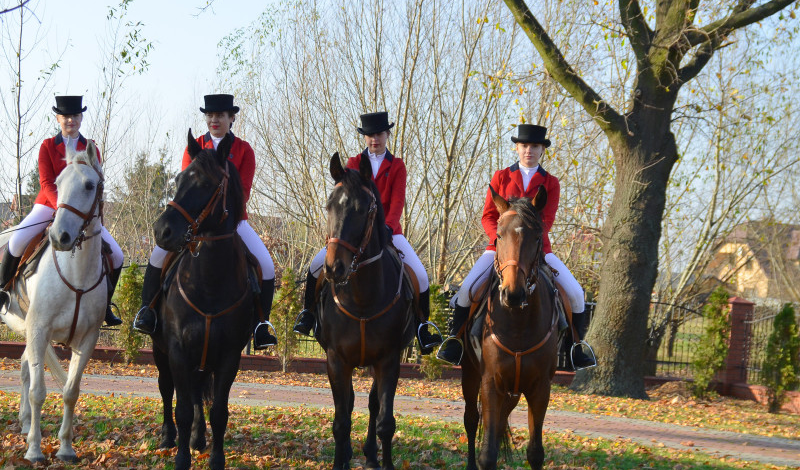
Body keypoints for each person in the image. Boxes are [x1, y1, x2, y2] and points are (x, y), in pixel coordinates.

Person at [436, 123, 597, 369]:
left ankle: (575, 348)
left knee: (575, 293)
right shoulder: (501, 177)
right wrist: (499, 238)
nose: (528, 150)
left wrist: (526, 241)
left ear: (542, 150)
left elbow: (547, 220)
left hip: (537, 250)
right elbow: (488, 216)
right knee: (468, 289)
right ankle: (454, 341)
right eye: (524, 146)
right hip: (498, 249)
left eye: (534, 146)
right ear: (517, 148)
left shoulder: (550, 183)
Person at [132, 93, 278, 349]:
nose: (214, 119)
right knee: (157, 255)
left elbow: (242, 192)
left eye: (220, 115)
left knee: (266, 265)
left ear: (231, 118)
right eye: (210, 115)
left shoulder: (243, 150)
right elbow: (185, 188)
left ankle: (260, 325)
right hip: (193, 223)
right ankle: (148, 311)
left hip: (232, 222)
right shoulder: (196, 145)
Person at [292, 111, 443, 355]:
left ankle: (422, 327)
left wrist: (387, 226)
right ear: (365, 137)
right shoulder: (352, 164)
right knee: (315, 266)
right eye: (370, 135)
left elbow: (397, 202)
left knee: (422, 277)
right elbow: (346, 202)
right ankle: (308, 314)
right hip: (354, 234)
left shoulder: (397, 166)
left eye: (379, 134)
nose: (375, 139)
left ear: (387, 135)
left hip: (389, 232)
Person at [0, 95, 124, 327]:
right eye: (66, 116)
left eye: (75, 116)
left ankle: (105, 306)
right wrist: (62, 206)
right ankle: (2, 291)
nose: (71, 120)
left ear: (81, 118)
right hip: (49, 205)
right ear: (58, 118)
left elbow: (95, 182)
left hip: (81, 213)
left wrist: (78, 210)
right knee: (17, 240)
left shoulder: (91, 149)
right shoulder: (48, 146)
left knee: (117, 255)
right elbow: (46, 181)